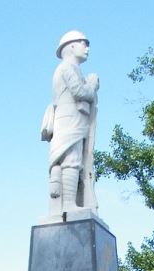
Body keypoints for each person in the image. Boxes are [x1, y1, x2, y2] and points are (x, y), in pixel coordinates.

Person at [41, 30, 99, 215]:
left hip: (74, 121)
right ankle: (68, 205)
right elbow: (80, 92)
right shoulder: (67, 68)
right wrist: (92, 85)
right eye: (83, 43)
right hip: (69, 121)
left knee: (74, 161)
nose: (87, 48)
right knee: (71, 160)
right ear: (72, 46)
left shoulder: (70, 69)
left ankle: (69, 203)